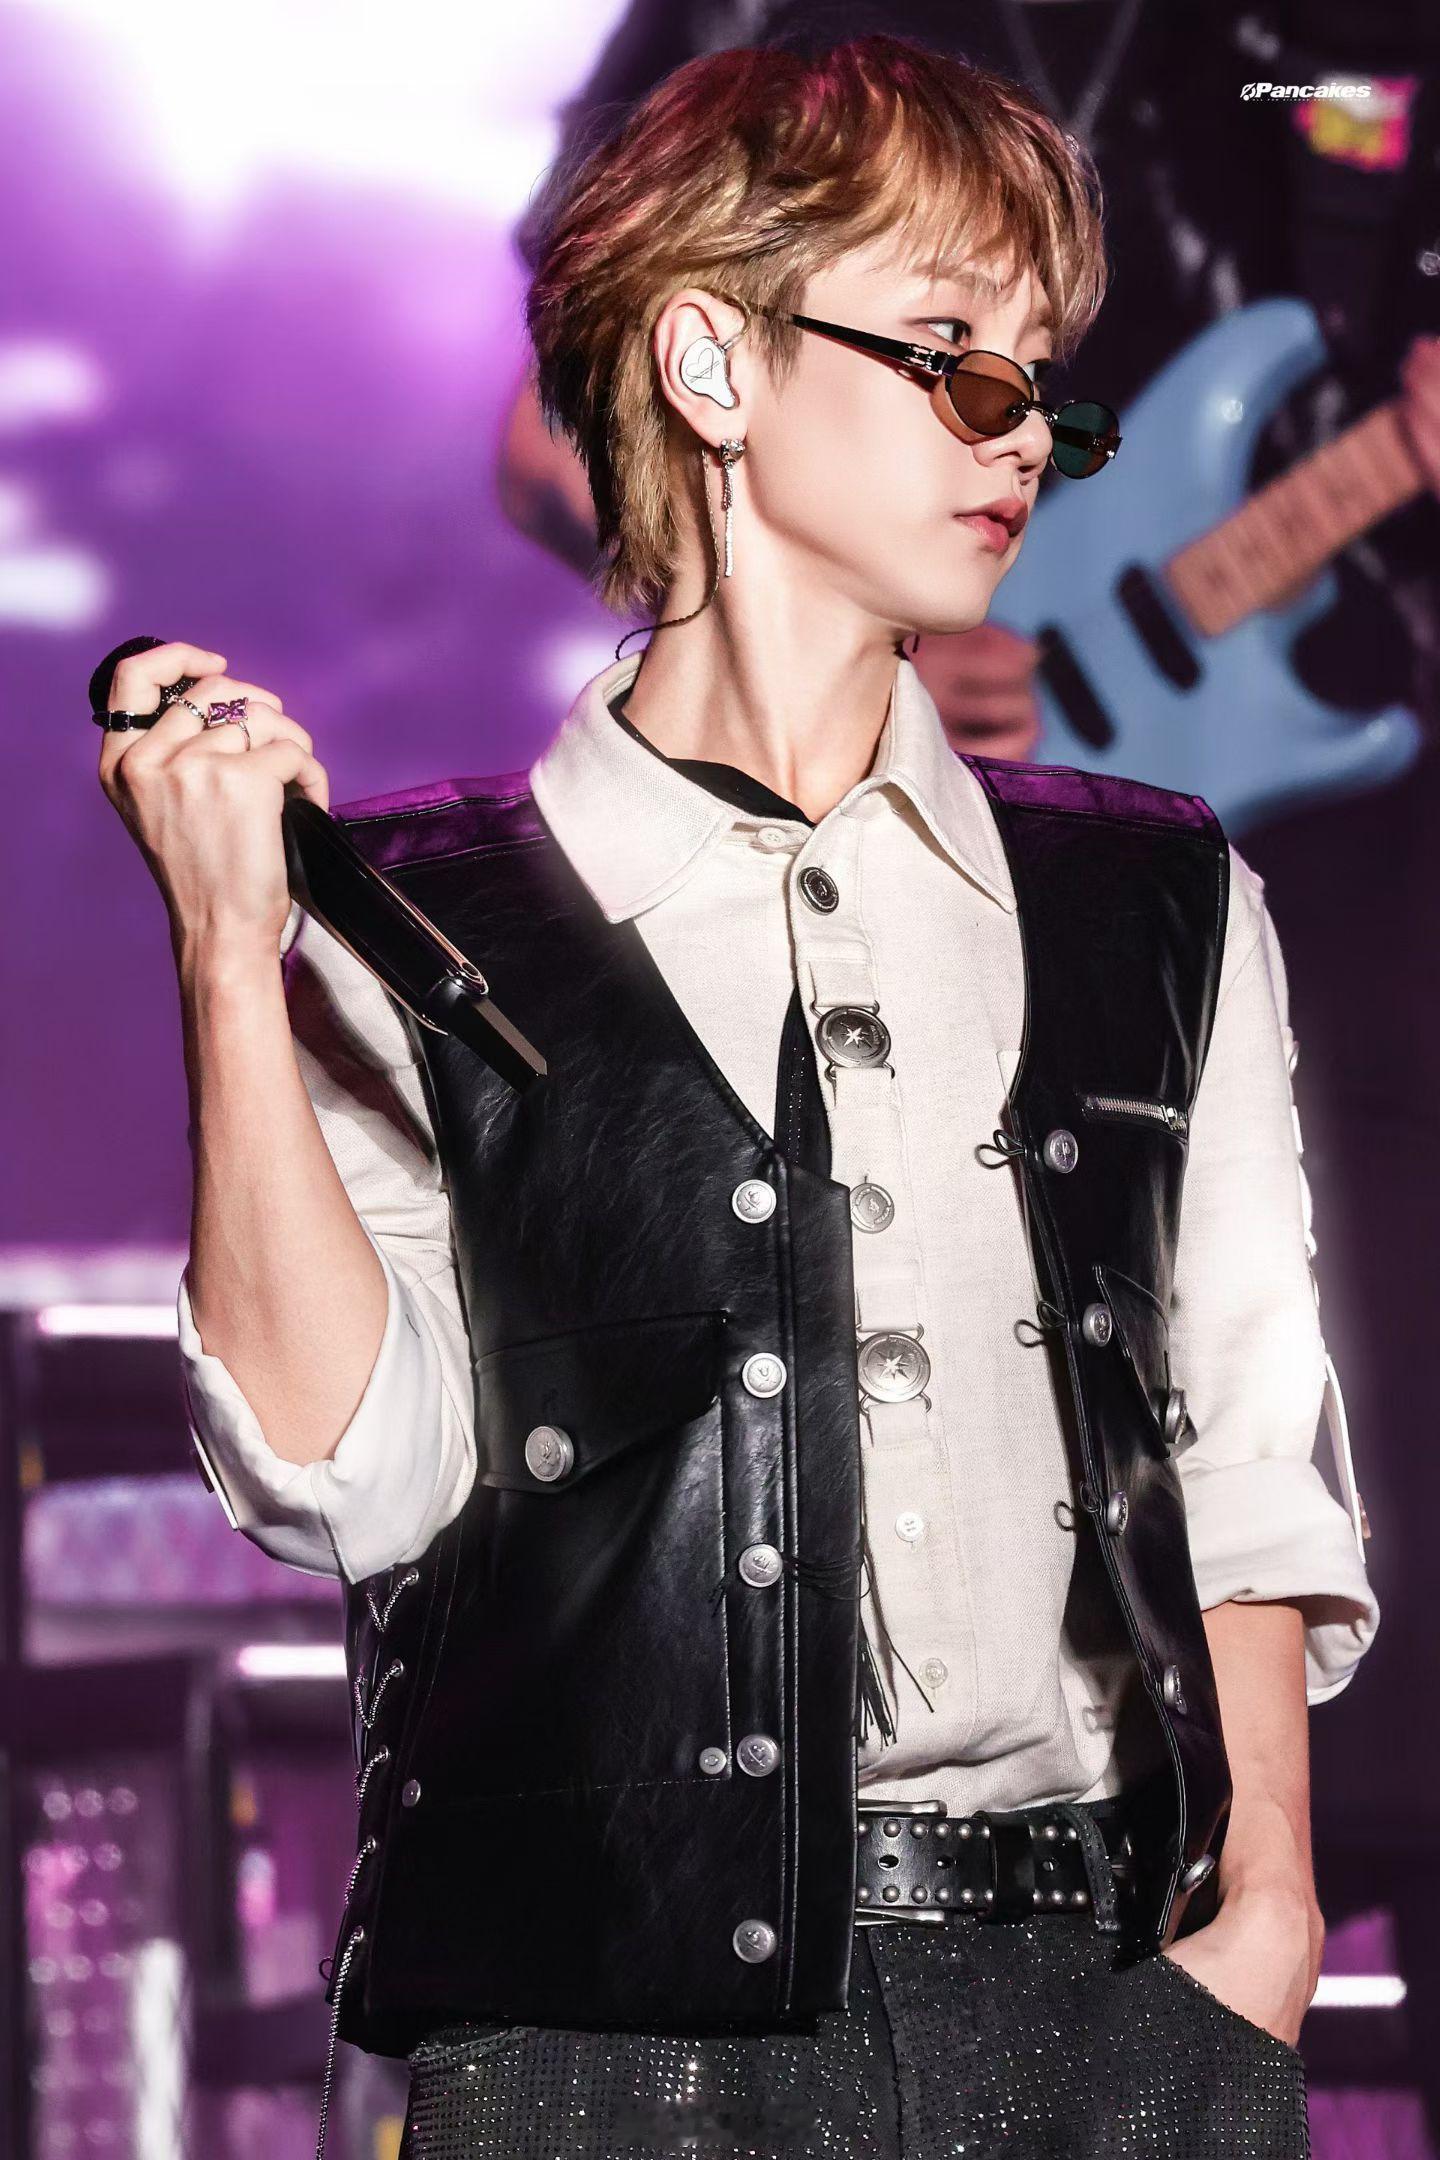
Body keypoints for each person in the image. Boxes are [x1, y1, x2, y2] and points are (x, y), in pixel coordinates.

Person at [99, 34, 1378, 2159]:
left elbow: (1241, 1439)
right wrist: (235, 962)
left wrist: (1263, 1928)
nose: (1023, 430)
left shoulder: (1157, 901)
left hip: (1108, 2001)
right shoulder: (418, 919)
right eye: (954, 356)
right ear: (710, 362)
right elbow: (348, 1484)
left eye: (1041, 379)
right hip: (603, 2039)